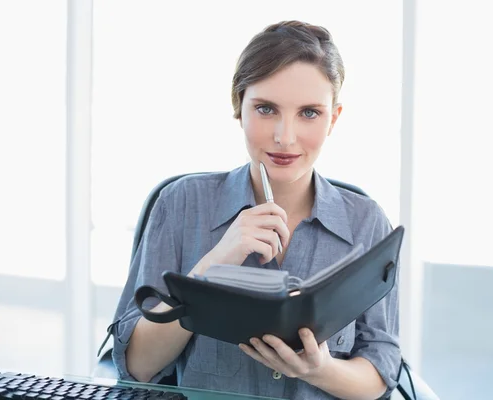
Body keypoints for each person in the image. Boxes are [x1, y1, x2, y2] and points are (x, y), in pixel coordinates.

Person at [111, 20, 401, 400]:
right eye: (266, 109)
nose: (285, 136)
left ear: (333, 118)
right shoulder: (180, 203)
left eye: (309, 113)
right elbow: (136, 366)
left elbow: (381, 369)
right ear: (239, 108)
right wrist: (212, 269)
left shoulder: (366, 222)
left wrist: (322, 370)